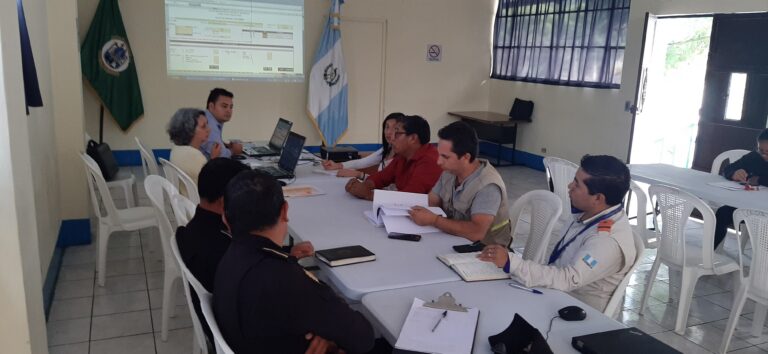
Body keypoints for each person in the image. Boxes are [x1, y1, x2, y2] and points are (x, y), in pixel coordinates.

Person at [214, 171, 375, 353]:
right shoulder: (286, 280)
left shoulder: (229, 255)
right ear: (284, 211)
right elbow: (363, 338)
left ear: (225, 219)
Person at [175, 158, 314, 351]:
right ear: (226, 201)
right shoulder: (223, 250)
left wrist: (286, 252)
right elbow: (260, 287)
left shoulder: (194, 231)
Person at [479, 155, 636, 312]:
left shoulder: (606, 242)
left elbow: (567, 279)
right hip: (555, 293)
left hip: (577, 311)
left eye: (577, 184)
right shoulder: (588, 212)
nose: (570, 186)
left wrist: (511, 262)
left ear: (598, 198)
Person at [408, 121, 512, 245]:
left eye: (445, 157)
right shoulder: (450, 172)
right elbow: (431, 201)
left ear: (466, 157)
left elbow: (476, 233)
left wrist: (434, 220)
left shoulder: (488, 186)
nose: (438, 162)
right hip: (453, 240)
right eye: (439, 155)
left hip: (483, 251)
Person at [345, 115, 442, 200]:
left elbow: (410, 197)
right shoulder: (403, 155)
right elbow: (382, 177)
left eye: (397, 134)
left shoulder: (430, 160)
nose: (392, 138)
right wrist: (364, 186)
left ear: (413, 138)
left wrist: (369, 195)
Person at [713, 128, 768, 249]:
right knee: (722, 213)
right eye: (761, 151)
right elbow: (728, 169)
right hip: (750, 207)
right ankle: (707, 256)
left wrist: (758, 180)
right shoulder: (754, 157)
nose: (764, 156)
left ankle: (762, 264)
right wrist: (735, 173)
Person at [322, 112, 404, 178]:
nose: (388, 132)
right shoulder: (388, 149)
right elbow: (363, 162)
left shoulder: (404, 156)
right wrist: (338, 165)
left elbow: (387, 186)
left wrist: (359, 175)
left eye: (394, 128)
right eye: (387, 127)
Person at [167, 108, 217, 184]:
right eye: (203, 126)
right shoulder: (194, 155)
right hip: (197, 195)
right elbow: (213, 182)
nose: (209, 129)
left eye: (207, 124)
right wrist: (214, 160)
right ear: (189, 130)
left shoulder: (176, 149)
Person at [201, 88, 243, 158]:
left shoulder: (209, 118)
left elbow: (213, 144)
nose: (228, 111)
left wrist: (225, 145)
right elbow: (221, 155)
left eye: (231, 107)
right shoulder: (208, 124)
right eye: (224, 106)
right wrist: (233, 151)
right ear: (211, 106)